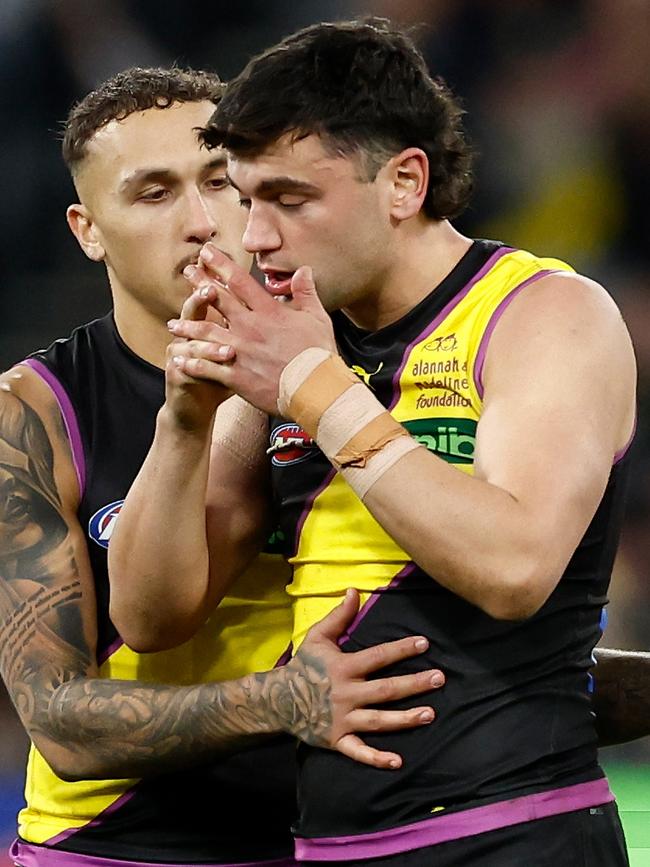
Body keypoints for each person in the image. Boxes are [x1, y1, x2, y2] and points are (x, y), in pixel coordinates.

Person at [108, 19, 648, 867]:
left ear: (403, 182)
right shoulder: (297, 345)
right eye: (246, 199)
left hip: (513, 832)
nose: (254, 237)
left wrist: (316, 388)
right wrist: (182, 421)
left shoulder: (544, 314)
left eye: (290, 199)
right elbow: (148, 616)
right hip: (331, 845)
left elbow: (514, 567)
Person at [0, 65, 449, 867]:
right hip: (114, 852)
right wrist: (282, 702)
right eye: (153, 193)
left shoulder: (358, 371)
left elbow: (448, 655)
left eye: (220, 180)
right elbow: (59, 719)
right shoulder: (30, 415)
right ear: (86, 228)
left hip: (340, 846)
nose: (206, 222)